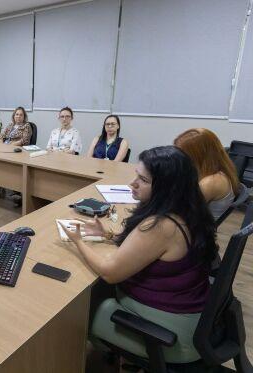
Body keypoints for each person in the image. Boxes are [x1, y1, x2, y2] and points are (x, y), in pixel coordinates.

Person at [61, 146, 217, 363]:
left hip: (171, 336)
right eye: (136, 175)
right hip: (190, 313)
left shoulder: (162, 225)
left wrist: (77, 241)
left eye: (143, 180)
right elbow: (151, 250)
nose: (132, 183)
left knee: (73, 313)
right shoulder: (187, 209)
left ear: (166, 187)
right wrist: (107, 235)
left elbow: (110, 272)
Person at [174, 128, 239, 221]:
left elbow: (180, 212)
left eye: (182, 154)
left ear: (198, 156)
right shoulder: (217, 170)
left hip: (196, 230)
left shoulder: (211, 182)